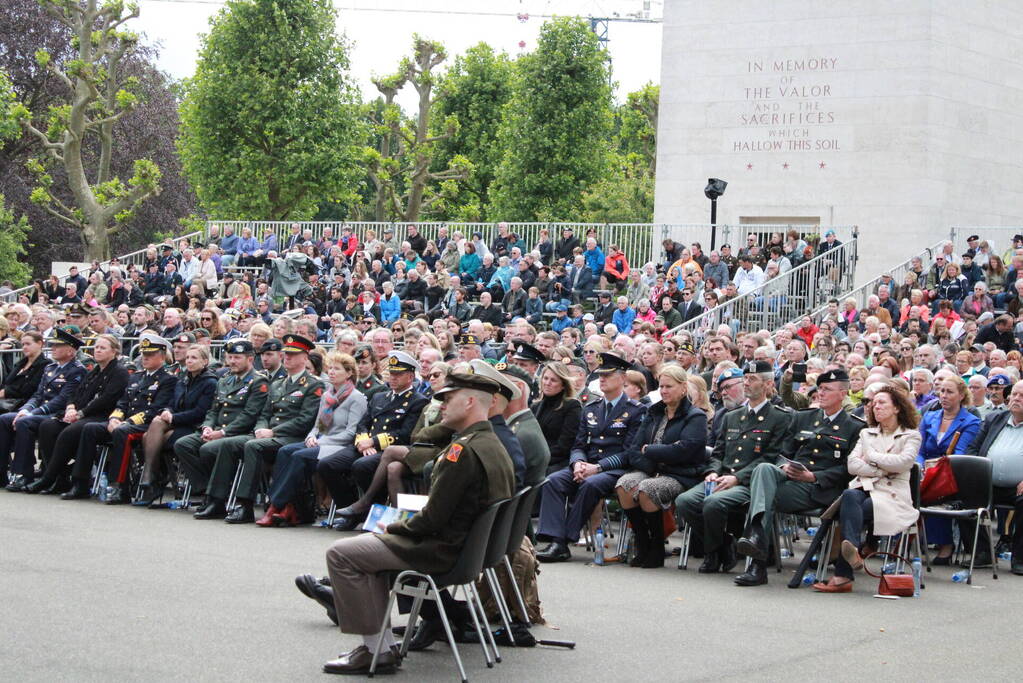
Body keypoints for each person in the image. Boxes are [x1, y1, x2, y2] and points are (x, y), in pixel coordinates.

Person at [320, 371, 514, 676]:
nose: (442, 407)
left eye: (449, 399)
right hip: (465, 549)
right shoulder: (491, 443)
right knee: (364, 550)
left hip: (440, 549)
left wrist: (392, 526)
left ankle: (375, 650)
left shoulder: (461, 452)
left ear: (470, 402)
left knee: (341, 554)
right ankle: (378, 647)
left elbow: (433, 519)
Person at [732, 370, 866, 586]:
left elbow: (848, 469)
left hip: (820, 489)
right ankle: (756, 543)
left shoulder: (855, 426)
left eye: (827, 390)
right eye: (820, 389)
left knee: (764, 496)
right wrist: (785, 465)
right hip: (790, 480)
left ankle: (756, 558)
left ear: (843, 394)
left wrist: (813, 476)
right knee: (765, 469)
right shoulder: (803, 417)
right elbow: (783, 451)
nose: (821, 393)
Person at [675, 360, 792, 574]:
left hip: (750, 483)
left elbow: (771, 457)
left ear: (768, 385)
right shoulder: (731, 417)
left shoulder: (780, 418)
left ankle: (712, 554)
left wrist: (737, 478)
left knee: (713, 503)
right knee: (685, 502)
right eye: (745, 378)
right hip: (722, 477)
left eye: (753, 379)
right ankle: (722, 546)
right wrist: (711, 471)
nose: (747, 383)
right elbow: (719, 453)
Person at [192, 334, 323, 523]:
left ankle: (245, 505)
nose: (287, 358)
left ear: (305, 358)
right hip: (266, 435)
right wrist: (261, 428)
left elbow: (305, 420)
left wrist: (273, 432)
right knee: (229, 444)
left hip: (292, 438)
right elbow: (265, 414)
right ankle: (216, 500)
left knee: (253, 446)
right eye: (286, 354)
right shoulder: (277, 384)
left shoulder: (313, 385)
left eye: (293, 355)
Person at [536, 352, 646, 563]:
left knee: (591, 485)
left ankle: (561, 541)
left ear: (623, 379)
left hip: (615, 470)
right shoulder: (591, 408)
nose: (601, 379)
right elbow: (579, 444)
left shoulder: (635, 411)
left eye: (608, 375)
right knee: (553, 481)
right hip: (587, 465)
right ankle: (554, 538)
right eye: (600, 375)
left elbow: (629, 452)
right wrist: (577, 463)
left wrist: (597, 468)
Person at [814, 384, 922, 592]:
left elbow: (903, 463)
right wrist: (883, 468)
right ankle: (854, 549)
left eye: (882, 403)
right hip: (864, 488)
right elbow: (852, 465)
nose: (875, 407)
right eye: (873, 404)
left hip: (891, 495)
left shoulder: (911, 435)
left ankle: (844, 574)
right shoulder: (866, 433)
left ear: (897, 408)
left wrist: (871, 457)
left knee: (852, 505)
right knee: (849, 495)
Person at [319, 351, 429, 530]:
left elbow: (405, 434)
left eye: (398, 374)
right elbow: (363, 423)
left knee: (362, 466)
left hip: (389, 449)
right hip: (364, 445)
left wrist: (374, 442)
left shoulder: (417, 401)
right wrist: (363, 441)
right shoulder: (380, 396)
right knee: (327, 465)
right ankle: (351, 509)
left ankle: (368, 510)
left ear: (410, 376)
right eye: (391, 373)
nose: (393, 378)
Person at [61, 333, 176, 502]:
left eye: (150, 354)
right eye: (143, 354)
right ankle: (81, 482)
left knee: (122, 432)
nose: (145, 358)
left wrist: (127, 421)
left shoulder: (168, 380)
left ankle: (119, 486)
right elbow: (122, 403)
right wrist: (114, 418)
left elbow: (156, 410)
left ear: (161, 356)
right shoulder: (136, 377)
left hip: (147, 425)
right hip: (123, 422)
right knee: (90, 428)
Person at [615, 364, 708, 568]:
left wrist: (650, 451)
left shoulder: (695, 416)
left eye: (669, 386)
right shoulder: (654, 412)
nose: (664, 391)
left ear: (683, 388)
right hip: (651, 470)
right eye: (661, 386)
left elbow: (685, 450)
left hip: (681, 474)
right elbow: (633, 449)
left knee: (648, 489)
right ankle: (643, 541)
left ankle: (657, 546)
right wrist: (653, 462)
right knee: (624, 485)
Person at [261, 351, 368, 527]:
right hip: (320, 441)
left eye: (337, 369)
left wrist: (321, 441)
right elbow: (318, 425)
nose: (332, 372)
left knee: (299, 456)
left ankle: (275, 506)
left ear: (349, 373)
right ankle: (291, 506)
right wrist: (311, 436)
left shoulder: (356, 398)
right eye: (330, 368)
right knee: (285, 451)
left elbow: (351, 433)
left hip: (338, 446)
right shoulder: (327, 395)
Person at [29, 334, 130, 494]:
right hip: (82, 414)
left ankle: (61, 479)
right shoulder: (95, 371)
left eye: (102, 348)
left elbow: (106, 399)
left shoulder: (119, 372)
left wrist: (80, 413)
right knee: (48, 426)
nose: (97, 350)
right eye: (96, 347)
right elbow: (76, 393)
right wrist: (70, 407)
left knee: (72, 431)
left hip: (102, 416)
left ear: (114, 352)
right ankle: (59, 477)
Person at [173, 340, 270, 507]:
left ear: (250, 359)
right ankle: (205, 489)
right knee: (183, 444)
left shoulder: (258, 382)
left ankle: (215, 496)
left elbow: (249, 415)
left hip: (240, 433)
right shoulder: (225, 380)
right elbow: (213, 410)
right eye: (230, 357)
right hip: (217, 430)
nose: (232, 361)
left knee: (207, 449)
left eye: (237, 357)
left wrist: (222, 433)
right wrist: (207, 427)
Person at [0, 326, 87, 490]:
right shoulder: (50, 368)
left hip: (57, 414)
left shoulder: (77, 370)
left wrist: (32, 413)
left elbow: (62, 400)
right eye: (53, 345)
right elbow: (38, 395)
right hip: (39, 411)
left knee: (24, 423)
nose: (53, 348)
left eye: (58, 346)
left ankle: (23, 474)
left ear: (70, 351)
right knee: (4, 419)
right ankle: (1, 472)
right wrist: (25, 409)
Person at [135, 345, 219, 506]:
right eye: (188, 358)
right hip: (177, 423)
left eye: (194, 358)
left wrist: (173, 417)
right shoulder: (183, 379)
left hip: (194, 426)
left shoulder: (210, 383)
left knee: (149, 436)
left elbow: (200, 412)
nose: (189, 361)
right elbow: (172, 403)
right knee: (155, 425)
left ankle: (151, 477)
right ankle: (152, 478)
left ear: (205, 361)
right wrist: (167, 411)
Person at [918, 375, 982, 564]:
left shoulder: (970, 422)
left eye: (949, 392)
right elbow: (919, 449)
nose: (943, 395)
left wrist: (935, 468)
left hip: (951, 472)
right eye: (942, 391)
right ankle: (907, 540)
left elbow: (960, 453)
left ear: (962, 395)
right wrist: (921, 465)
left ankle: (945, 544)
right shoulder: (929, 416)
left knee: (938, 490)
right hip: (925, 469)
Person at [965, 380, 1023, 574]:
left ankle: (1020, 558)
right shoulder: (994, 419)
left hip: (1018, 488)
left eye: (1021, 396)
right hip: (988, 484)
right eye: (1014, 394)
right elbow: (972, 449)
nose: (1016, 399)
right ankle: (982, 552)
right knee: (964, 497)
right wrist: (976, 474)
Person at [531, 361, 582, 473]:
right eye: (545, 378)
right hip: (535, 458)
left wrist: (538, 459)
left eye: (553, 380)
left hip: (557, 462)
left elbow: (565, 446)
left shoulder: (572, 406)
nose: (547, 383)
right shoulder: (536, 406)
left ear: (563, 385)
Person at [0, 332, 49, 412]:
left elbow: (29, 389)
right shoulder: (21, 363)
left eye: (28, 344)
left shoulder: (45, 364)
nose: (24, 347)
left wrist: (6, 392)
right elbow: (7, 382)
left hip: (24, 404)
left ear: (40, 344)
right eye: (23, 344)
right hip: (7, 401)